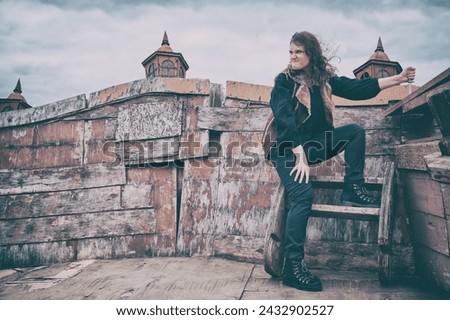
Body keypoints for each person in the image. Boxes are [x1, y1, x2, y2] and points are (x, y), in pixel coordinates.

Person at [263, 31, 416, 292]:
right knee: (302, 195)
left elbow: (358, 89)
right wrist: (299, 155)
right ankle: (292, 266)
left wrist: (398, 80)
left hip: (311, 145)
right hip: (286, 148)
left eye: (298, 51)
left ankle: (352, 190)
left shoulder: (324, 80)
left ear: (311, 54)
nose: (292, 56)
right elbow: (285, 119)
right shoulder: (284, 81)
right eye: (290, 52)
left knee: (354, 132)